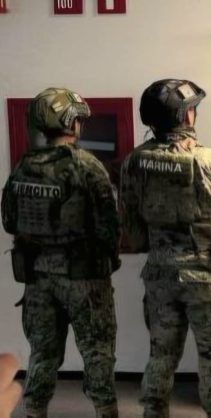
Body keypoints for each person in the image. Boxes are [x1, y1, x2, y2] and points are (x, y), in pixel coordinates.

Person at [120, 79, 211, 418]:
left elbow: (131, 231)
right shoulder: (210, 160)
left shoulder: (134, 161)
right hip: (207, 277)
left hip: (160, 276)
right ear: (186, 116)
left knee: (161, 354)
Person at [1, 88, 120, 418]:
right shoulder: (87, 166)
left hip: (38, 279)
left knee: (42, 354)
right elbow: (110, 228)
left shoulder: (23, 167)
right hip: (84, 280)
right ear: (70, 122)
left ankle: (34, 411)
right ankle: (105, 411)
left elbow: (10, 221)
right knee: (97, 353)